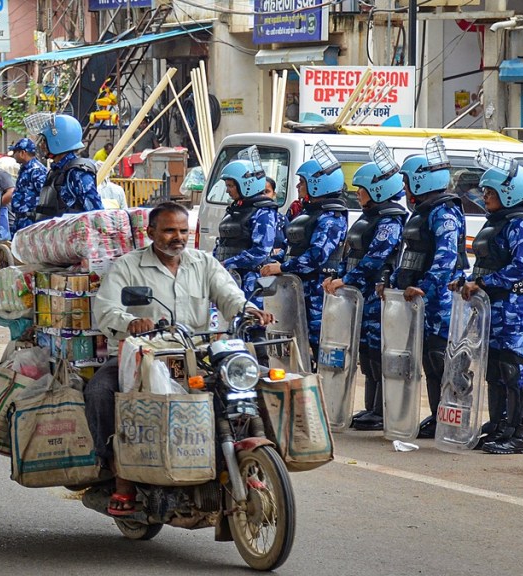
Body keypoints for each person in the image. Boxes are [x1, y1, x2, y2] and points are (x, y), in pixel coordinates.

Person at [85, 202, 272, 516]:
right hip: (144, 355)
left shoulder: (203, 263)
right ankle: (120, 475)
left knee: (259, 380)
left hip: (196, 353)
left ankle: (255, 459)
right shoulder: (128, 266)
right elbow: (105, 308)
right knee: (100, 392)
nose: (178, 237)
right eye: (169, 230)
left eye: (183, 230)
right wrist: (130, 322)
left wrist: (248, 311)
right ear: (151, 232)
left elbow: (229, 295)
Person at [384, 142, 467, 439]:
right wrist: (395, 283)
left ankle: (452, 419)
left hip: (440, 303)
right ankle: (437, 415)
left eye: (407, 181)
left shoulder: (443, 213)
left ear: (421, 180)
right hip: (422, 303)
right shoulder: (422, 212)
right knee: (431, 362)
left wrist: (423, 287)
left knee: (445, 362)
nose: (404, 188)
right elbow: (412, 256)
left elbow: (445, 259)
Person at [455, 155, 523, 454]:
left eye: (490, 192)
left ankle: (520, 435)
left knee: (513, 369)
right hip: (492, 307)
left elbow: (520, 266)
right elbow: (485, 266)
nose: (485, 196)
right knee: (495, 370)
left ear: (510, 192)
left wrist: (485, 284)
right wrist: (465, 281)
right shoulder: (497, 223)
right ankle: (499, 426)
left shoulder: (520, 224)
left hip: (513, 307)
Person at [322, 159, 406, 432]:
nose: (357, 193)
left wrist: (346, 280)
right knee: (368, 354)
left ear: (378, 190)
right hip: (362, 298)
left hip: (377, 296)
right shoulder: (370, 217)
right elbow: (353, 254)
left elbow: (376, 258)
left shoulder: (390, 221)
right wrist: (338, 276)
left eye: (362, 189)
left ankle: (383, 411)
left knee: (381, 354)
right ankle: (371, 408)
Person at [260, 154, 348, 361]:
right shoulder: (307, 214)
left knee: (321, 347)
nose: (299, 187)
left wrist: (282, 268)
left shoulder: (331, 219)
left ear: (318, 184)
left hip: (318, 292)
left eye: (302, 182)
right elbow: (294, 249)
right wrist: (275, 261)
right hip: (297, 291)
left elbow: (317, 256)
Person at [212, 158, 277, 307]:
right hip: (230, 278)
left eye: (230, 186)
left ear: (245, 185)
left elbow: (260, 251)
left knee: (250, 323)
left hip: (250, 282)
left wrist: (227, 263)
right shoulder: (235, 210)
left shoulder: (263, 212)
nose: (227, 190)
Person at [33, 114, 103, 221]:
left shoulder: (77, 172)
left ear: (58, 142)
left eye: (44, 140)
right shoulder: (55, 171)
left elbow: (96, 213)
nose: (41, 145)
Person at [9, 137, 47, 234]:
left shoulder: (36, 170)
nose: (14, 155)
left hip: (31, 221)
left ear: (22, 153)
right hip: (21, 219)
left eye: (15, 152)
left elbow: (45, 195)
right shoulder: (25, 169)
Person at [264, 176, 287, 262]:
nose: (263, 195)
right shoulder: (250, 217)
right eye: (260, 192)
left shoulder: (282, 219)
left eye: (267, 192)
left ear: (274, 195)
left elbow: (290, 246)